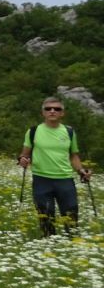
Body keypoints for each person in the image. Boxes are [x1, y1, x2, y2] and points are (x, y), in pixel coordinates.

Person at [18, 97, 92, 236]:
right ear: (43, 113)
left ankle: (72, 243)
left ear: (62, 113)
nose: (52, 111)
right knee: (45, 213)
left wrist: (81, 170)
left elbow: (73, 155)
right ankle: (48, 243)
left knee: (71, 212)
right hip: (41, 179)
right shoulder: (33, 131)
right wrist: (23, 159)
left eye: (57, 109)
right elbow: (25, 154)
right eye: (48, 109)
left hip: (65, 179)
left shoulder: (69, 132)